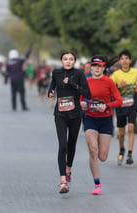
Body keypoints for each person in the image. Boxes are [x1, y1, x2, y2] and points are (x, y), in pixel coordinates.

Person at [47, 50, 91, 194]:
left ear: (74, 61)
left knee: (71, 144)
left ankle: (68, 169)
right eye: (65, 59)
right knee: (63, 146)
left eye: (71, 59)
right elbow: (52, 85)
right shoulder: (56, 73)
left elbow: (87, 94)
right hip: (60, 114)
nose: (68, 61)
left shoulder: (78, 74)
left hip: (75, 115)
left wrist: (73, 84)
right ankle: (63, 181)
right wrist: (51, 92)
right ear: (61, 61)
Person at [80, 55, 122, 195]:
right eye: (94, 66)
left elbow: (119, 101)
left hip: (106, 120)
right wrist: (83, 103)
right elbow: (80, 99)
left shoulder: (109, 82)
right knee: (93, 150)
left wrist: (106, 106)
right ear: (91, 67)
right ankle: (97, 184)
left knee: (102, 156)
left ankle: (98, 149)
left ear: (104, 68)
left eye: (99, 66)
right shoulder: (86, 81)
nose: (96, 68)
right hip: (91, 119)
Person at [111, 49, 137, 166]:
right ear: (120, 61)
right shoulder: (115, 75)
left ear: (130, 60)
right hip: (121, 105)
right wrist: (118, 86)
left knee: (131, 128)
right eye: (122, 59)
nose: (125, 61)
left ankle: (130, 154)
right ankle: (122, 148)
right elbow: (110, 89)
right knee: (121, 133)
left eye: (127, 58)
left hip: (132, 104)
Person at [5, 44, 32, 111]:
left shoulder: (8, 63)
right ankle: (23, 106)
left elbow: (7, 73)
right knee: (22, 93)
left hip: (12, 80)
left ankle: (14, 107)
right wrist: (29, 49)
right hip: (20, 79)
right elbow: (26, 56)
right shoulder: (19, 60)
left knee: (13, 94)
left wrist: (6, 80)